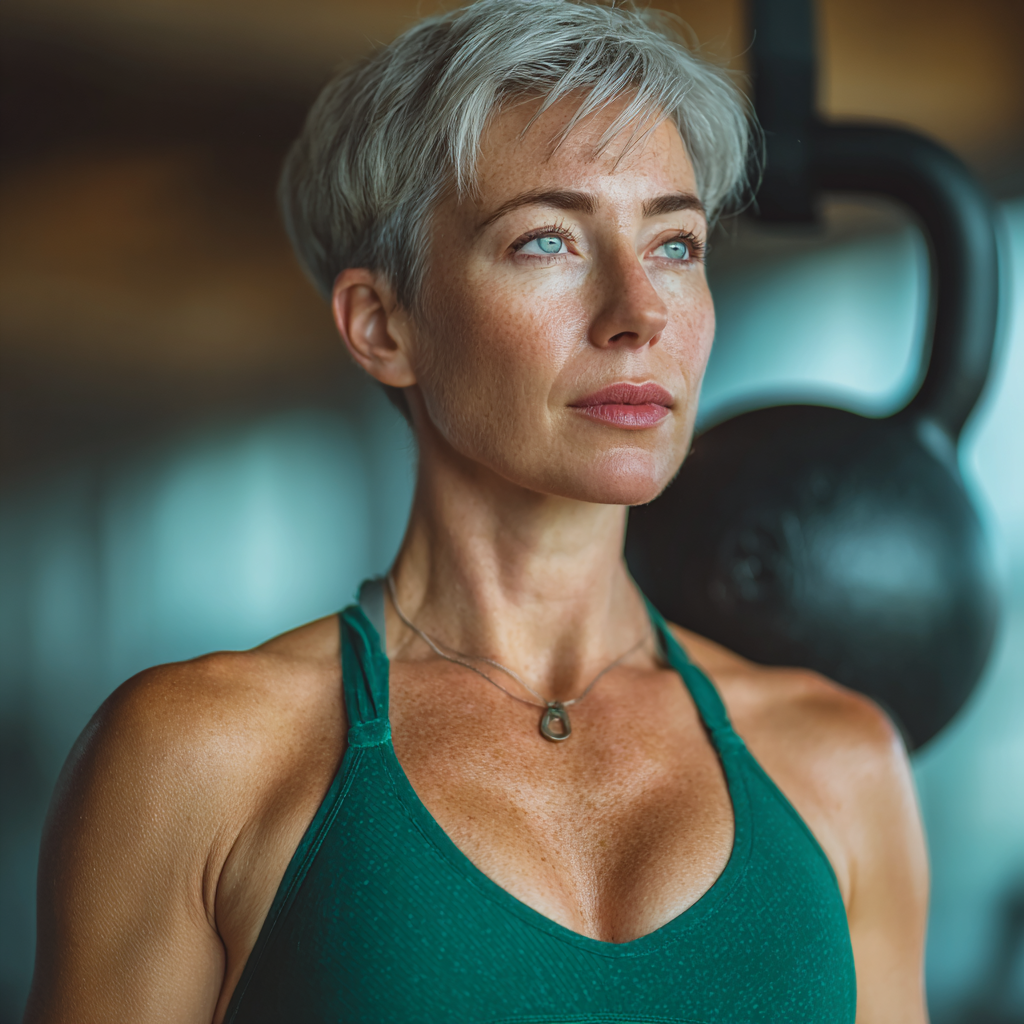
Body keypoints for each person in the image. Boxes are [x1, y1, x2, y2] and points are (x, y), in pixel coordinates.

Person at [26, 1, 929, 1021]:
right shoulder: (200, 757)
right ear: (383, 325)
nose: (639, 313)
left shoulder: (837, 760)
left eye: (675, 243)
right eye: (546, 241)